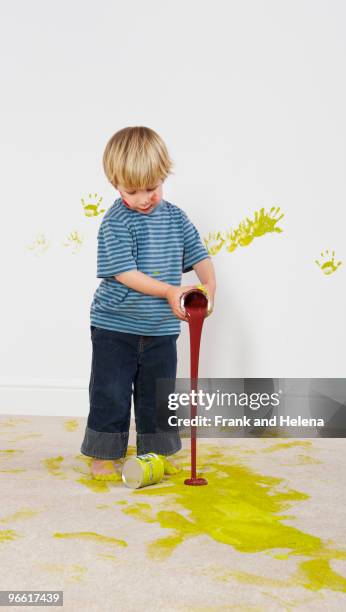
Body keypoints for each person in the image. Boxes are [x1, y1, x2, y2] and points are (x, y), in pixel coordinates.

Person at [80, 126, 216, 480]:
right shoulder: (116, 222)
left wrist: (209, 285)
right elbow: (126, 273)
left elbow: (200, 257)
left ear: (163, 177)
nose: (144, 198)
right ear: (115, 185)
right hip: (116, 324)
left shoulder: (175, 218)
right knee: (110, 391)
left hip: (160, 328)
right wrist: (171, 291)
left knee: (158, 393)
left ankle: (155, 450)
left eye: (152, 188)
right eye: (133, 191)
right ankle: (104, 452)